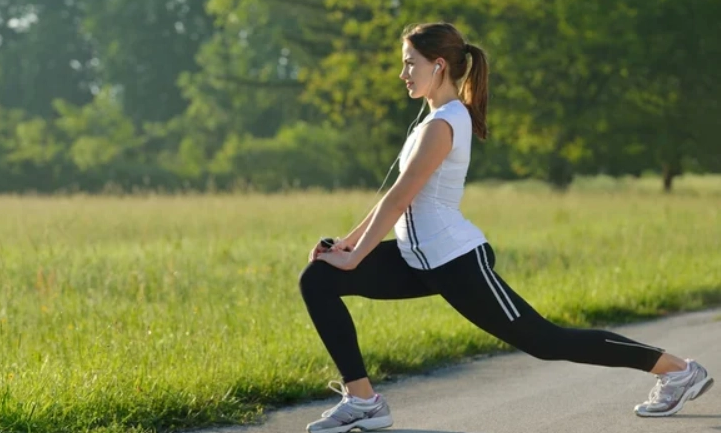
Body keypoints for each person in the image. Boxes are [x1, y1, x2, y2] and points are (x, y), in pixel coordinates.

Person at [297, 22, 714, 433]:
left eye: (410, 63)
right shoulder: (431, 122)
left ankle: (678, 370)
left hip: (457, 261)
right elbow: (393, 196)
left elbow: (400, 197)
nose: (403, 73)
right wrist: (345, 247)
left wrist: (355, 256)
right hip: (417, 258)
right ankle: (364, 400)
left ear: (438, 65)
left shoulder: (444, 123)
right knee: (319, 278)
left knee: (548, 342)